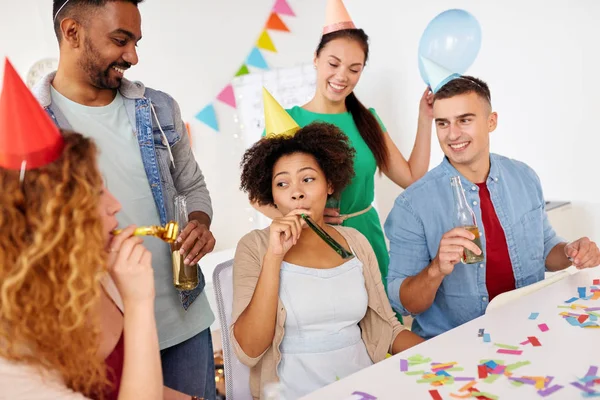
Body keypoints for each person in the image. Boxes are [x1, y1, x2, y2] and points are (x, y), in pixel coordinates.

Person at [33, 1, 216, 396]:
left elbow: (193, 187)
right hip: (100, 337)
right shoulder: (32, 128)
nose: (133, 56)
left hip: (183, 321)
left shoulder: (159, 109)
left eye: (135, 41)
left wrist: (199, 222)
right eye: (121, 40)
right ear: (72, 32)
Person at [231, 92, 424, 400]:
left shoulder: (356, 242)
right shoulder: (254, 247)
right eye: (282, 184)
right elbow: (249, 350)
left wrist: (443, 353)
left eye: (307, 179)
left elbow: (388, 327)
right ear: (270, 194)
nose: (296, 192)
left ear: (329, 184)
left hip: (364, 388)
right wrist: (274, 257)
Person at [384, 75, 600, 339]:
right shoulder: (413, 205)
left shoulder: (524, 177)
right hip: (458, 346)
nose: (452, 134)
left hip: (531, 331)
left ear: (491, 122)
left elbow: (544, 248)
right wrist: (436, 269)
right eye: (443, 123)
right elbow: (403, 303)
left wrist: (570, 252)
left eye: (464, 120)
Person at [0, 59, 163, 399]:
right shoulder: (9, 350)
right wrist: (139, 304)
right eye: (93, 193)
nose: (115, 204)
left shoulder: (95, 275)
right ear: (47, 221)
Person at [256, 0, 433, 296]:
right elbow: (257, 195)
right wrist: (307, 218)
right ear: (316, 59)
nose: (342, 77)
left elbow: (412, 178)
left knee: (382, 325)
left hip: (367, 237)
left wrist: (425, 119)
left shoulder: (368, 121)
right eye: (333, 64)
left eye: (354, 69)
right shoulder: (288, 122)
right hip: (313, 243)